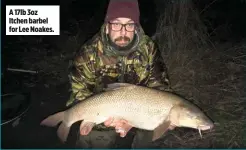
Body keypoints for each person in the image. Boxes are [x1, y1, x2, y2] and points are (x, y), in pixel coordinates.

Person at [66, 0, 172, 148]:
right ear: (107, 27)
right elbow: (80, 92)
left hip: (141, 109)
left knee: (160, 127)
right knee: (95, 138)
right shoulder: (88, 53)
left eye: (129, 25)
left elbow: (160, 86)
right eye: (116, 24)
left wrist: (163, 115)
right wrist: (95, 119)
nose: (123, 31)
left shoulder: (148, 49)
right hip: (103, 113)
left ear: (136, 28)